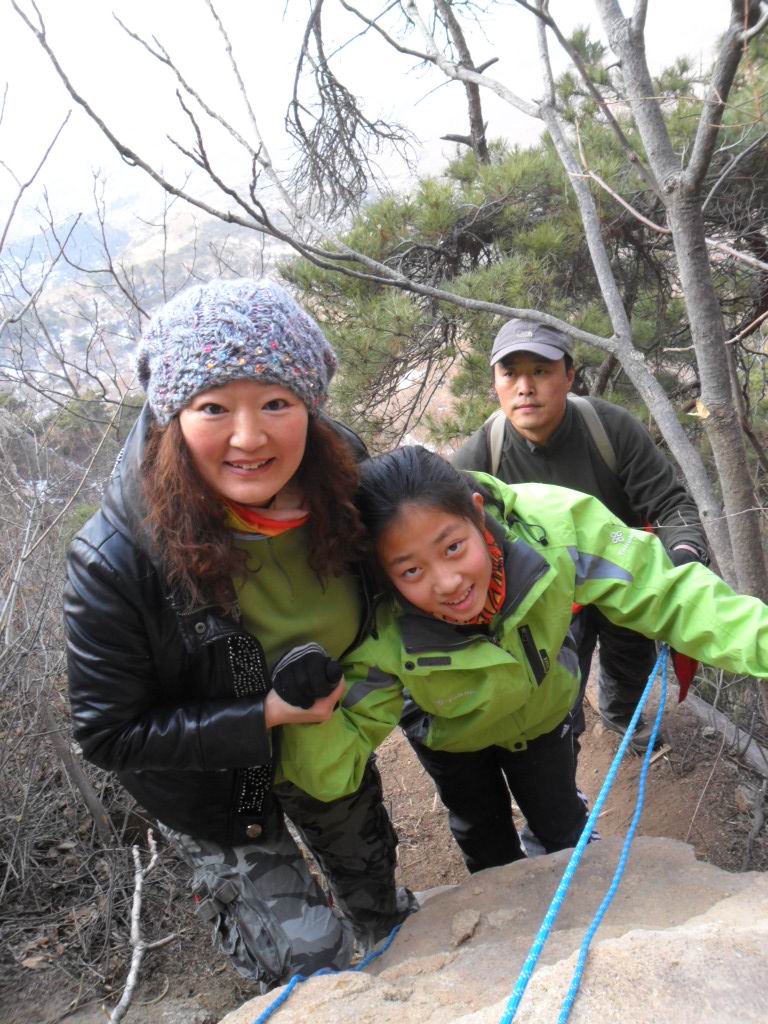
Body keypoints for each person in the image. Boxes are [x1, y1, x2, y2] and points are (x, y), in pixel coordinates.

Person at [64, 278, 414, 991]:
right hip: (216, 787)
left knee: (387, 915)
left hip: (327, 744)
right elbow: (110, 734)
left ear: (310, 408)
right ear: (172, 415)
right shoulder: (119, 557)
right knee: (308, 965)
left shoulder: (345, 488)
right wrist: (265, 715)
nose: (249, 438)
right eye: (214, 406)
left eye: (276, 403)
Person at [276, 446, 768, 875]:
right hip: (453, 739)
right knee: (484, 839)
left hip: (544, 712)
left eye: (452, 547)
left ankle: (567, 864)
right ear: (383, 573)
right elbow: (334, 761)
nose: (447, 582)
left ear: (476, 513)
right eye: (411, 570)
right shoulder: (380, 625)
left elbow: (666, 593)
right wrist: (306, 712)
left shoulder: (556, 530)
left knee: (560, 820)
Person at [452, 318, 710, 752]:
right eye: (510, 373)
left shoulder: (609, 428)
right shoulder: (481, 456)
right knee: (553, 675)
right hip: (544, 592)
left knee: (631, 655)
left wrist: (684, 553)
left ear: (568, 376)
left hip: (621, 573)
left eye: (541, 370)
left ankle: (621, 715)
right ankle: (561, 737)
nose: (525, 387)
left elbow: (669, 503)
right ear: (495, 382)